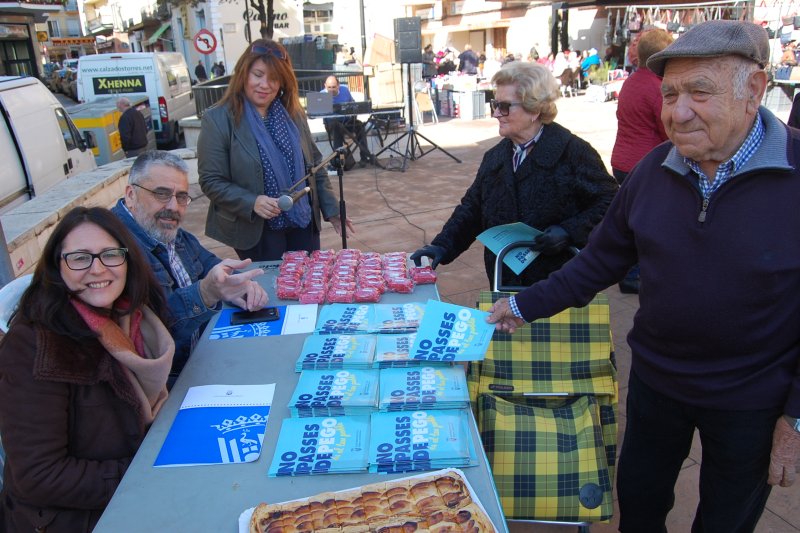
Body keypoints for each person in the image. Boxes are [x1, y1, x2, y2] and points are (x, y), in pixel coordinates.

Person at [488, 20, 800, 532]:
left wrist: (795, 417)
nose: (678, 112)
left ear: (755, 91)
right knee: (639, 497)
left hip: (752, 396)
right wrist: (523, 305)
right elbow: (599, 260)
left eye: (700, 92)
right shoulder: (655, 169)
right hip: (659, 380)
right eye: (670, 93)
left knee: (726, 520)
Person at [0, 206, 174, 532]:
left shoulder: (131, 317)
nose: (97, 269)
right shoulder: (35, 345)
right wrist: (148, 472)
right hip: (73, 519)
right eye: (80, 258)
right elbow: (38, 476)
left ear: (127, 260)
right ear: (57, 267)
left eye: (110, 254)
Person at [411, 61, 617, 287]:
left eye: (505, 106)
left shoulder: (573, 152)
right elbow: (473, 208)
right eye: (494, 104)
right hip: (504, 279)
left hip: (556, 283)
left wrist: (569, 231)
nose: (496, 114)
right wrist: (442, 245)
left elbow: (610, 202)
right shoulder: (496, 156)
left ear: (535, 109)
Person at [112, 150, 268, 379]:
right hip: (168, 383)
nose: (174, 206)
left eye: (182, 197)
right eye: (162, 194)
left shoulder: (163, 229)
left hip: (202, 357)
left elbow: (209, 262)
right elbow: (151, 335)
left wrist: (234, 283)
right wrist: (205, 293)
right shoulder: (114, 249)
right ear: (131, 195)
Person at [197, 39, 354, 263]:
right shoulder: (219, 119)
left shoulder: (293, 114)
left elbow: (315, 165)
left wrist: (332, 210)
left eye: (274, 78)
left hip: (302, 219)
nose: (265, 85)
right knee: (273, 291)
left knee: (308, 283)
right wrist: (252, 201)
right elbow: (211, 181)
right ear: (244, 73)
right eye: (258, 74)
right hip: (258, 229)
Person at [610, 28, 673, 294]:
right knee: (645, 222)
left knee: (633, 218)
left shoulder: (632, 81)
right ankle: (633, 274)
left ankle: (629, 270)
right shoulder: (657, 87)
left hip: (622, 161)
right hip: (644, 163)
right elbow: (668, 131)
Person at [322, 75, 374, 169]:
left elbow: (353, 104)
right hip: (332, 124)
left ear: (338, 86)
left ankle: (364, 157)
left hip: (346, 121)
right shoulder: (322, 95)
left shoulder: (345, 90)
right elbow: (316, 115)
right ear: (325, 86)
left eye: (334, 87)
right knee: (337, 128)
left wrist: (353, 111)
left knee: (360, 127)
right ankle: (338, 160)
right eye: (329, 87)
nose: (331, 90)